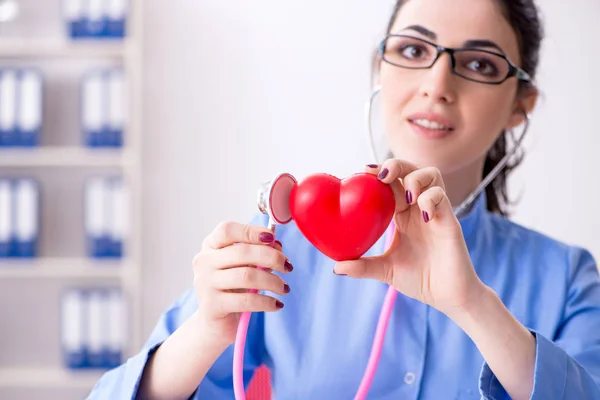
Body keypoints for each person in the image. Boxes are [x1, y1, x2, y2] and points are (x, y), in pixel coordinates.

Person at [88, 0, 600, 399]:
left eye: (481, 64)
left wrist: (474, 306)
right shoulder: (280, 244)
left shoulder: (568, 280)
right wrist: (204, 332)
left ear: (521, 105)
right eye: (414, 51)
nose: (437, 85)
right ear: (380, 68)